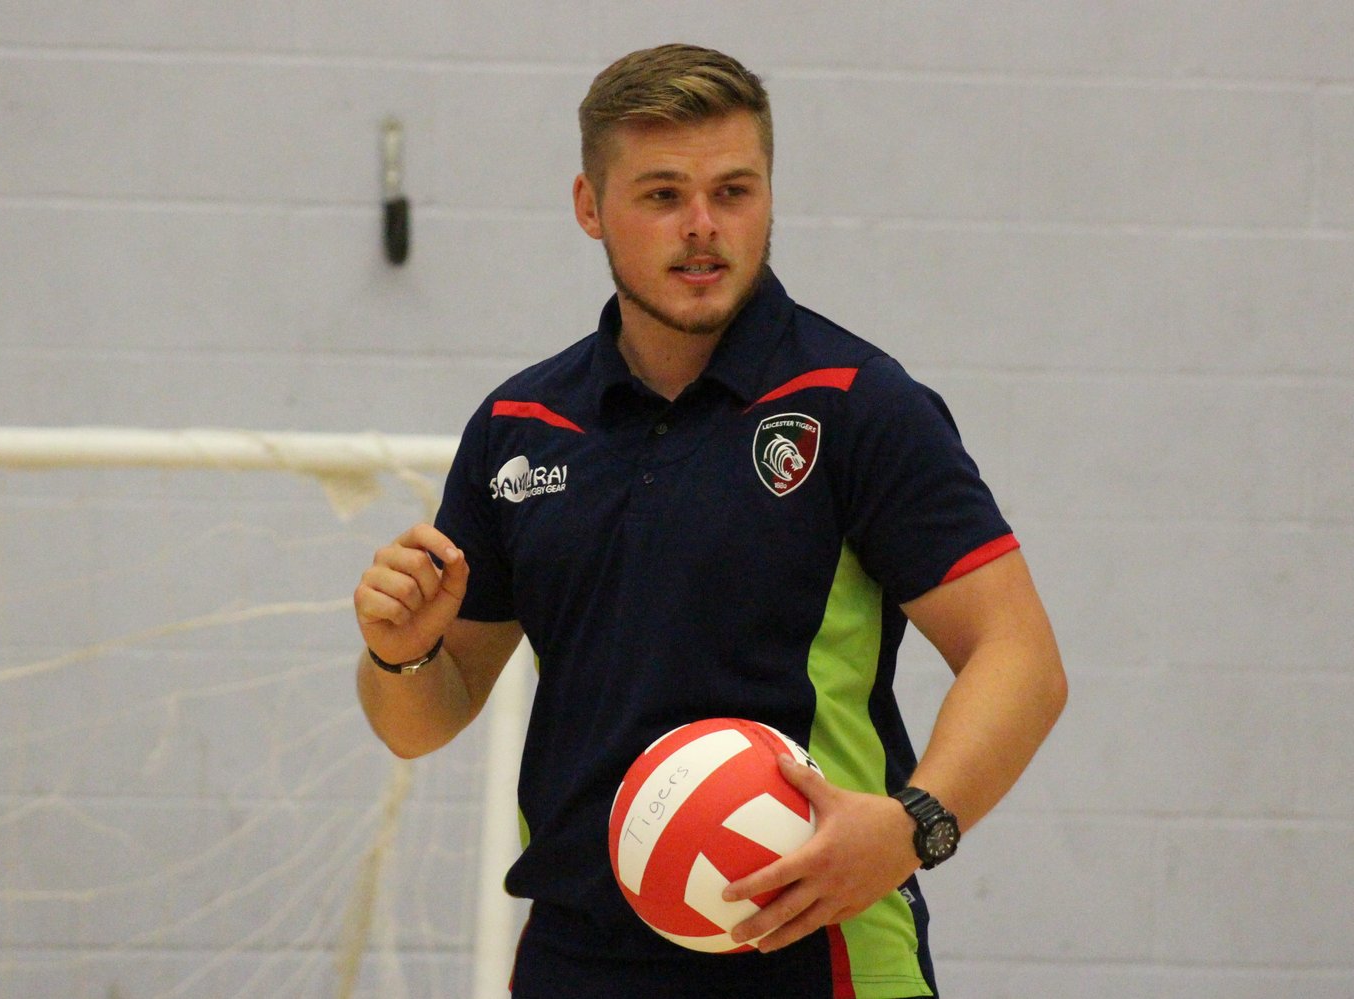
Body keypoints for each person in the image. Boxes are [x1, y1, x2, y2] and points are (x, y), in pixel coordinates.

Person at [353, 43, 1066, 999]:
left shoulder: (857, 402)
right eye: (662, 196)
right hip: (577, 959)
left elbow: (1020, 656)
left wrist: (909, 827)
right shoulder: (520, 427)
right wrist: (400, 651)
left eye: (734, 191)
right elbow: (424, 719)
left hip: (818, 953)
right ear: (589, 207)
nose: (703, 228)